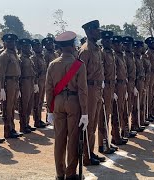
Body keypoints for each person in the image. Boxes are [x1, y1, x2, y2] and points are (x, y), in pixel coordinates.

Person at [46, 31, 88, 180]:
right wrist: (85, 113)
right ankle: (70, 174)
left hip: (57, 103)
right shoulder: (78, 64)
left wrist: (49, 111)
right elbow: (83, 90)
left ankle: (59, 173)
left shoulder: (52, 64)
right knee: (73, 138)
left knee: (59, 139)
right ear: (70, 46)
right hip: (73, 102)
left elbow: (49, 89)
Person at [78, 20, 106, 166]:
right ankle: (86, 155)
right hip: (88, 90)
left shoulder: (96, 48)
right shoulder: (86, 50)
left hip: (97, 89)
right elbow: (80, 75)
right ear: (89, 32)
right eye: (96, 30)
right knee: (88, 123)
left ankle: (90, 151)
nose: (99, 32)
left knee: (94, 122)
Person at [0, 33, 23, 139]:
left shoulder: (14, 54)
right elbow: (2, 72)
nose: (11, 43)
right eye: (9, 42)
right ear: (5, 43)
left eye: (13, 41)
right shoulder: (4, 55)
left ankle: (12, 128)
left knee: (13, 106)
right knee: (8, 107)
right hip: (8, 83)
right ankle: (8, 130)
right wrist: (2, 88)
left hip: (15, 82)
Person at [99, 30, 117, 154]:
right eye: (106, 40)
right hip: (104, 88)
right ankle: (103, 145)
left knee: (108, 115)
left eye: (110, 40)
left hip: (111, 87)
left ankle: (107, 142)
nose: (108, 42)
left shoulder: (111, 54)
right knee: (103, 117)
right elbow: (101, 72)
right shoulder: (102, 54)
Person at [111, 36, 129, 145]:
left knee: (121, 110)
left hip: (122, 85)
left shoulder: (121, 56)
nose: (120, 46)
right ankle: (115, 136)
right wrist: (113, 91)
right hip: (116, 86)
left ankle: (119, 134)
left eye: (120, 44)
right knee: (116, 112)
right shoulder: (113, 56)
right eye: (117, 44)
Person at [18, 38, 37, 134]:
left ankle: (27, 123)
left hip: (30, 81)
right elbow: (19, 73)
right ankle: (23, 125)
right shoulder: (20, 58)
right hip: (24, 82)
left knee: (30, 104)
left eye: (28, 46)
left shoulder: (29, 58)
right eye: (25, 46)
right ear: (21, 47)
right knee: (24, 105)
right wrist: (18, 87)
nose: (28, 48)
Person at [31, 39, 47, 128]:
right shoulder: (34, 58)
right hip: (38, 82)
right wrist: (35, 83)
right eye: (37, 46)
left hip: (43, 81)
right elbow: (35, 72)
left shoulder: (42, 57)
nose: (39, 47)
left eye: (40, 46)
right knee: (36, 102)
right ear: (33, 48)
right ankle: (37, 121)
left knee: (40, 102)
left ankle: (39, 119)